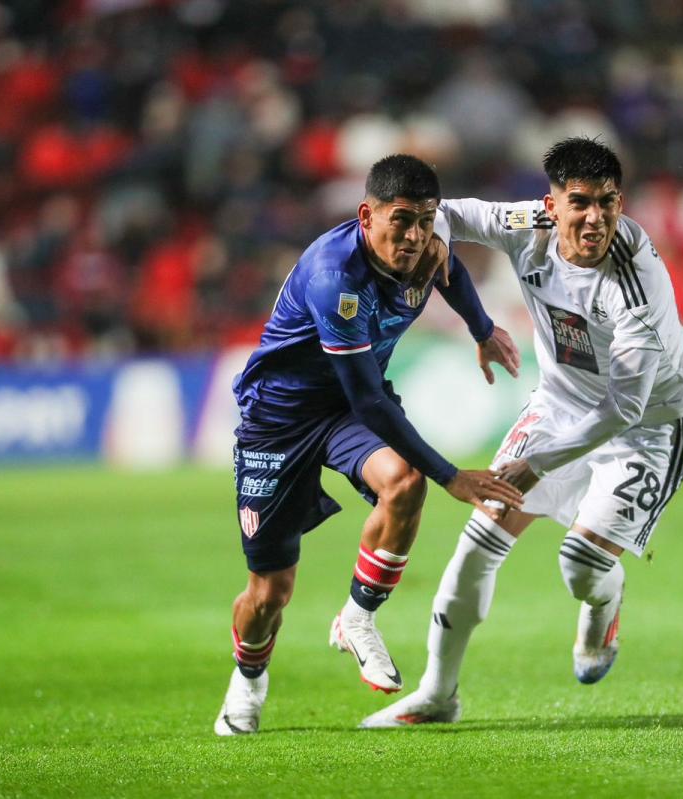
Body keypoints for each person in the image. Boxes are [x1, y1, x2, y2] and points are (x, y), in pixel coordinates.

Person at [360, 137, 683, 728]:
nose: (596, 218)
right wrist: (436, 231)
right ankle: (439, 695)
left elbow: (624, 407)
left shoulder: (635, 285)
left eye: (609, 203)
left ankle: (605, 603)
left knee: (581, 566)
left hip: (647, 429)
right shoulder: (528, 224)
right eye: (581, 202)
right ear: (553, 204)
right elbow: (459, 210)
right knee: (475, 547)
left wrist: (537, 464)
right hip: (561, 406)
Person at [215, 154, 525, 736]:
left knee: (403, 481)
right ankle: (248, 678)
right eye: (400, 220)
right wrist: (453, 476)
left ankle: (357, 619)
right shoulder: (335, 277)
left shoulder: (426, 246)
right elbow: (370, 404)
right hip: (279, 422)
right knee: (270, 591)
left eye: (425, 221)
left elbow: (449, 269)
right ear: (366, 215)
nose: (413, 237)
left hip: (342, 411)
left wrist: (482, 330)